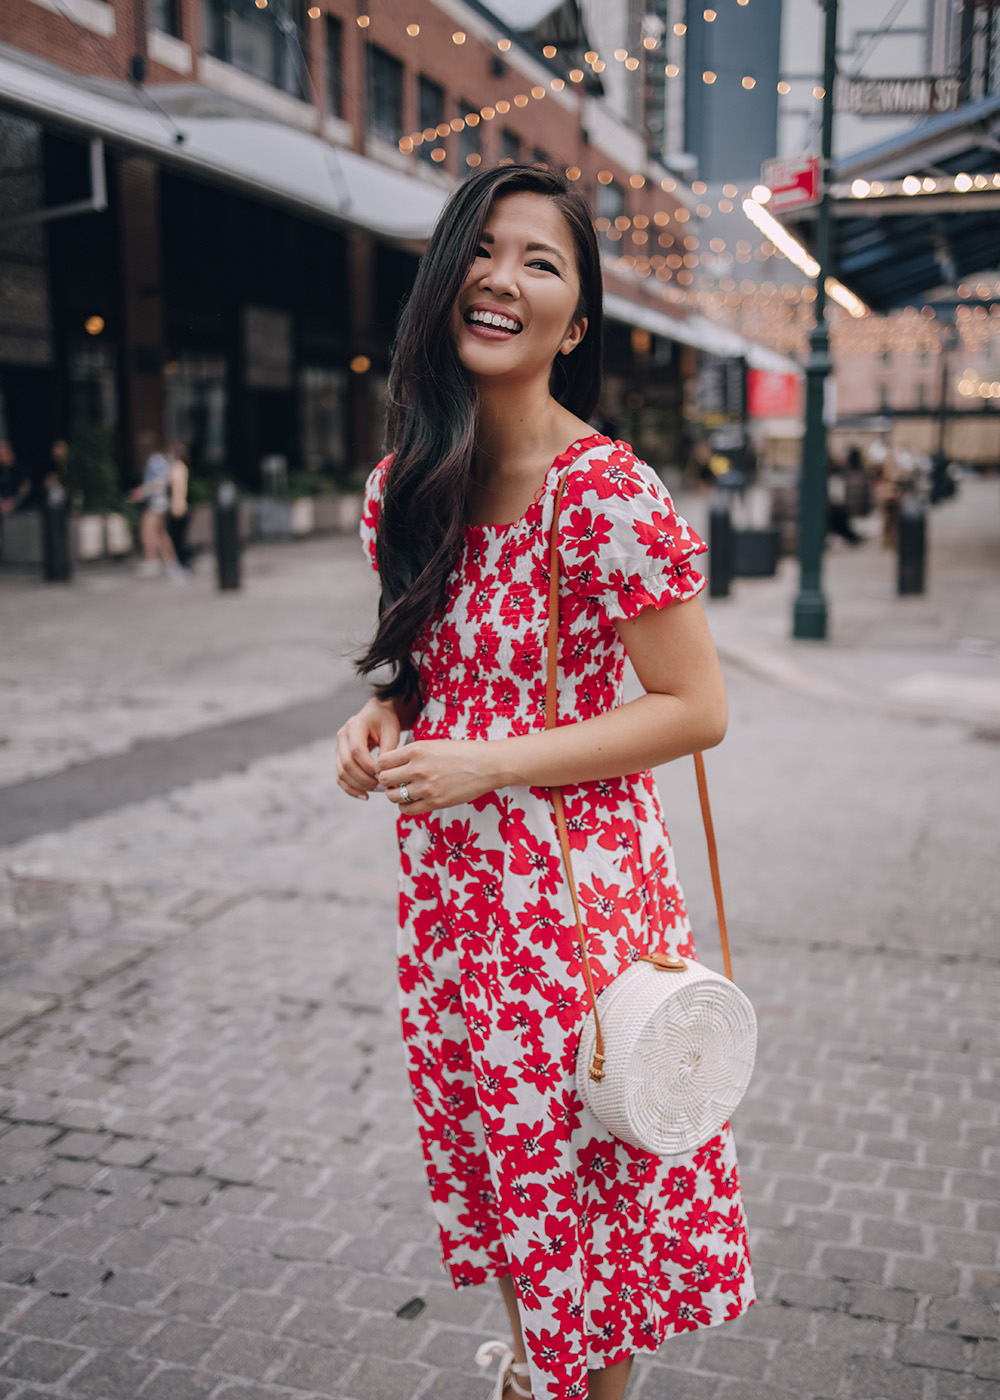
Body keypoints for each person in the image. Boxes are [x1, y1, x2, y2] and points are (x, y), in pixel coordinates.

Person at [335, 164, 754, 1400]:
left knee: (595, 1196)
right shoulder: (404, 484)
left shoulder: (608, 494)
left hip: (579, 907)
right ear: (447, 274)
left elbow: (699, 708)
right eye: (487, 249)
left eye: (541, 262)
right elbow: (423, 670)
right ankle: (529, 1373)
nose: (502, 278)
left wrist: (492, 762)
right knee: (510, 1175)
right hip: (455, 908)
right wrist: (375, 720)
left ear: (574, 322)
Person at [130, 432, 183, 580]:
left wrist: (142, 492)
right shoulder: (157, 459)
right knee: (160, 533)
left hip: (157, 504)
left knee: (149, 532)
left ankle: (153, 562)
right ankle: (170, 565)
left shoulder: (155, 460)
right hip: (160, 503)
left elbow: (161, 482)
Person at [166, 443, 191, 570]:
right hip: (180, 505)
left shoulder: (177, 467)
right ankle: (183, 563)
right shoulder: (180, 467)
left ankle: (183, 564)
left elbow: (178, 488)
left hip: (179, 506)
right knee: (177, 537)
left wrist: (177, 505)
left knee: (177, 537)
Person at [0, 439, 29, 517]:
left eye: (4, 453)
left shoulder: (20, 469)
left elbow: (25, 488)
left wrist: (13, 501)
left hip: (20, 509)